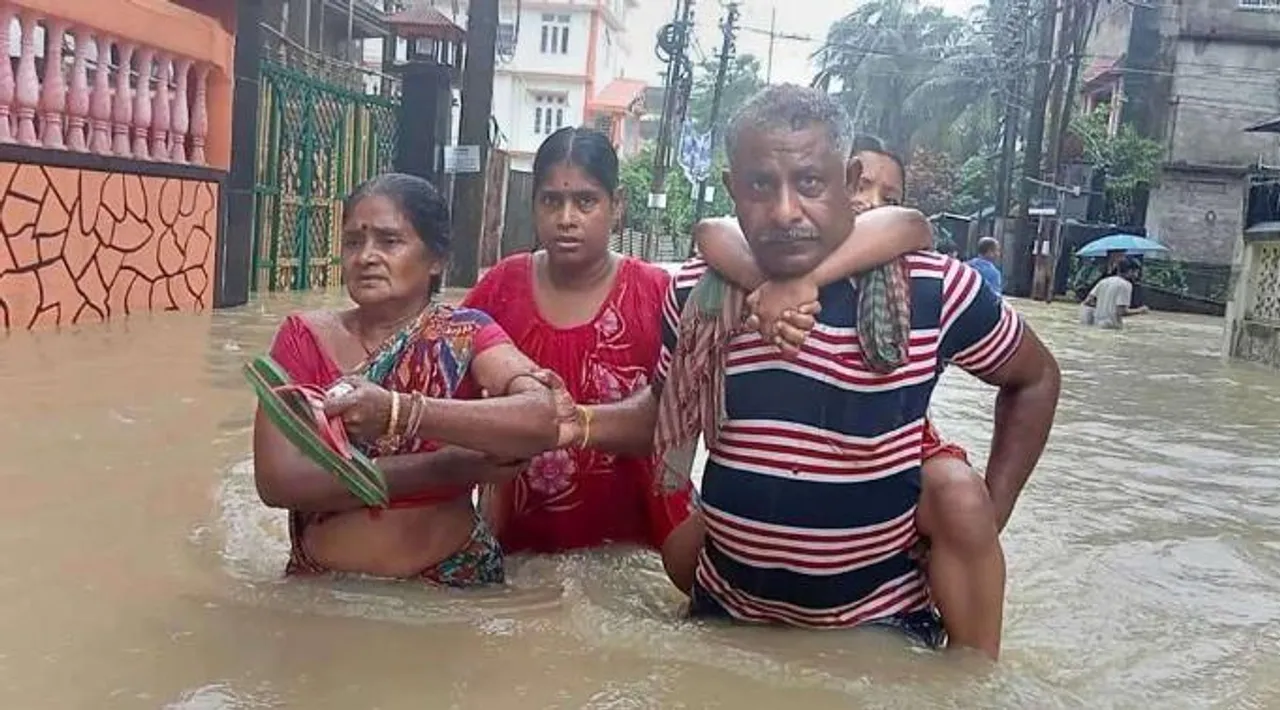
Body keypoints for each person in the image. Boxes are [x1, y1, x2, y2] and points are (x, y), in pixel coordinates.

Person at [578, 85, 1060, 660]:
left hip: (878, 629)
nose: (785, 211)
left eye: (809, 182)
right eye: (760, 186)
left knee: (958, 495)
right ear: (733, 189)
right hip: (725, 616)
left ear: (849, 178)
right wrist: (570, 422)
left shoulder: (933, 289)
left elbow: (1035, 379)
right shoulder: (696, 294)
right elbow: (666, 415)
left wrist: (992, 519)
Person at [461, 127, 933, 591]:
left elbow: (685, 406)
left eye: (585, 201)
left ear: (617, 205)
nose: (567, 218)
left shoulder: (661, 293)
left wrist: (573, 424)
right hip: (520, 538)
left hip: (645, 543)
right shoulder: (499, 288)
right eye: (551, 201)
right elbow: (448, 391)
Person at [692, 134, 1012, 656]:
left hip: (891, 471)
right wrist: (769, 287)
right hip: (740, 589)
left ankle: (973, 666)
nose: (871, 202)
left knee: (958, 495)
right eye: (861, 186)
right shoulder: (742, 271)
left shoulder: (921, 280)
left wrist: (990, 523)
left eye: (889, 193)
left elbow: (910, 226)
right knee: (687, 541)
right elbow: (709, 230)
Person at [253, 173, 565, 587]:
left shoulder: (465, 334)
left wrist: (401, 413)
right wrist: (444, 468)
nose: (365, 257)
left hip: (452, 589)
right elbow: (278, 483)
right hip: (323, 591)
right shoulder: (302, 337)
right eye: (353, 242)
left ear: (436, 259)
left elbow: (541, 419)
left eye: (389, 241)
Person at [1081, 258, 1148, 328]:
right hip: (1112, 326)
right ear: (1130, 271)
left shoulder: (1104, 281)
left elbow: (1087, 301)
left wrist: (1103, 306)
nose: (1136, 275)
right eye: (1136, 272)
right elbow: (1121, 312)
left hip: (1097, 323)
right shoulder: (1126, 285)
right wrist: (1140, 310)